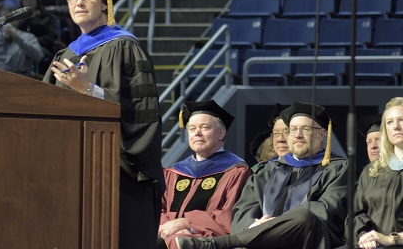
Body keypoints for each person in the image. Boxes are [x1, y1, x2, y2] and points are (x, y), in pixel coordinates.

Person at [42, 0, 163, 249]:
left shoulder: (126, 47)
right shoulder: (65, 55)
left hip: (116, 175)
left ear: (106, 2)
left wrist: (88, 90)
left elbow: (142, 115)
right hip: (67, 171)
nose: (78, 2)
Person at [176, 101, 348, 249]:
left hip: (306, 241)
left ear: (322, 134)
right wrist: (255, 225)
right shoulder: (268, 170)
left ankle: (217, 244)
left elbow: (327, 210)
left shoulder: (338, 168)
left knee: (306, 215)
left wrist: (274, 225)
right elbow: (242, 211)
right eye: (292, 129)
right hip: (260, 241)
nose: (297, 135)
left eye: (305, 129)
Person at [158, 100, 252, 249]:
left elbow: (229, 217)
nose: (197, 133)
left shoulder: (236, 171)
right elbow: (158, 208)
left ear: (221, 133)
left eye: (205, 127)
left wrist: (187, 224)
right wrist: (168, 226)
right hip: (166, 237)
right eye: (192, 128)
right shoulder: (174, 172)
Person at [348, 97, 403, 249]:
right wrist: (364, 233)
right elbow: (356, 213)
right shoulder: (372, 171)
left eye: (402, 120)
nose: (396, 126)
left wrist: (392, 239)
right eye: (390, 122)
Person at [0, 8, 43, 77]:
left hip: (20, 79)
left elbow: (38, 56)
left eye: (10, 20)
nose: (6, 23)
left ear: (17, 21)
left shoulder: (28, 37)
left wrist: (17, 37)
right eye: (3, 20)